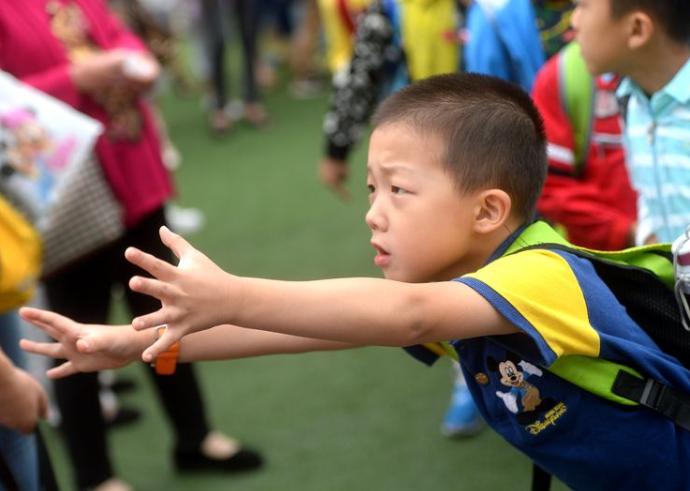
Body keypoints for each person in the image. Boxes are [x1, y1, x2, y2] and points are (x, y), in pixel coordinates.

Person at [19, 73, 690, 489]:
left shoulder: (539, 276)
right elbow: (291, 333)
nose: (374, 211)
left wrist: (234, 290)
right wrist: (133, 342)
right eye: (372, 187)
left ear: (489, 210)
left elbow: (408, 316)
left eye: (399, 189)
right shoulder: (467, 282)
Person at [0, 2, 262, 490]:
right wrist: (78, 78)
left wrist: (130, 62)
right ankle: (95, 474)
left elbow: (123, 37)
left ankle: (194, 435)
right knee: (76, 335)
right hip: (64, 197)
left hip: (133, 176)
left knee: (170, 314)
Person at [570, 0, 690, 245]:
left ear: (637, 29)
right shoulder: (631, 103)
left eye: (582, 6)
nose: (574, 21)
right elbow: (649, 196)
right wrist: (650, 238)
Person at [532, 41, 638, 250]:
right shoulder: (565, 74)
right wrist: (627, 232)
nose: (576, 20)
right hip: (598, 261)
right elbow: (550, 185)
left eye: (585, 6)